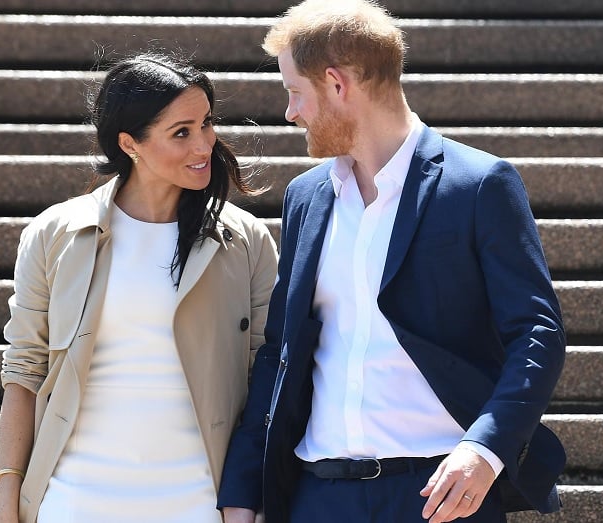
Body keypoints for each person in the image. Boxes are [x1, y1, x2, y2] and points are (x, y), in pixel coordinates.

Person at [218, 1, 566, 522]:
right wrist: (244, 489)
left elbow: (537, 332)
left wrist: (486, 450)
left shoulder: (478, 185)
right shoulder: (306, 197)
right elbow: (280, 351)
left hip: (440, 496)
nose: (290, 112)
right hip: (318, 497)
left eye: (295, 92)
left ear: (337, 85)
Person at [0, 53, 279, 523]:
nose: (204, 144)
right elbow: (23, 372)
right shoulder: (56, 233)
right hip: (74, 496)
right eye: (181, 132)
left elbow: (268, 378)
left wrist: (248, 497)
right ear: (130, 144)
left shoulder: (245, 241)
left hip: (199, 497)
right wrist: (9, 498)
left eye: (207, 123)